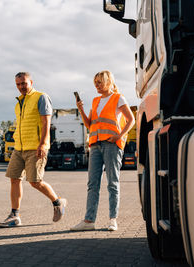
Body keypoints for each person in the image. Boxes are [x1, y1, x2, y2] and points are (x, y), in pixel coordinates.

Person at [0, 72, 67, 228]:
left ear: (31, 82)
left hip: (36, 147)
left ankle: (58, 202)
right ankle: (15, 215)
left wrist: (43, 144)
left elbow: (46, 122)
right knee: (14, 179)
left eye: (24, 83)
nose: (21, 87)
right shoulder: (19, 103)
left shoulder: (41, 97)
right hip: (19, 148)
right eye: (18, 84)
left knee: (35, 182)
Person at [70, 70, 135, 231]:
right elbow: (89, 124)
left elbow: (131, 120)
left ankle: (113, 219)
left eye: (99, 82)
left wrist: (119, 136)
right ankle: (89, 221)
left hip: (112, 144)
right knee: (93, 184)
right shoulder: (95, 101)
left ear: (108, 81)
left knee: (112, 183)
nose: (97, 85)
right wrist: (81, 110)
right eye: (95, 83)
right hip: (95, 145)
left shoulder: (118, 98)